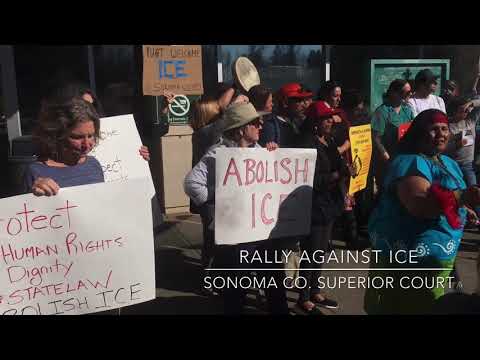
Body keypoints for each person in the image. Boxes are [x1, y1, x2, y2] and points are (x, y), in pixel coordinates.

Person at [365, 109, 480, 314]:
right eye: (434, 130)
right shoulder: (410, 161)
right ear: (419, 133)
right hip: (409, 260)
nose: (441, 134)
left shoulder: (448, 162)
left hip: (435, 258)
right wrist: (462, 198)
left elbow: (451, 196)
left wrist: (464, 209)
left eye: (444, 129)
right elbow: (419, 204)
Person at [184, 102, 289, 315]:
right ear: (242, 128)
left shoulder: (260, 151)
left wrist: (274, 155)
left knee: (275, 285)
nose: (261, 126)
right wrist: (215, 199)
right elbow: (192, 183)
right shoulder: (218, 153)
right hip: (234, 238)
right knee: (235, 292)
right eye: (255, 123)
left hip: (262, 234)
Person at [294, 101, 351, 314]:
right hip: (314, 205)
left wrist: (347, 169)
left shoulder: (329, 139)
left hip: (330, 203)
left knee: (320, 250)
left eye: (331, 118)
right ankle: (303, 296)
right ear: (315, 122)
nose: (331, 121)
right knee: (311, 251)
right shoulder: (307, 143)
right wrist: (337, 175)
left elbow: (338, 163)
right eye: (326, 118)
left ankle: (315, 289)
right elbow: (310, 178)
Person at [371, 79, 414, 194]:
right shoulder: (382, 112)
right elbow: (376, 138)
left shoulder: (407, 111)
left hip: (405, 158)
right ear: (394, 93)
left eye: (410, 92)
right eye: (406, 92)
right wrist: (386, 156)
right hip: (388, 160)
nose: (410, 94)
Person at [259, 83, 312, 148]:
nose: (304, 105)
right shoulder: (270, 126)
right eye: (299, 100)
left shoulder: (297, 123)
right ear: (285, 102)